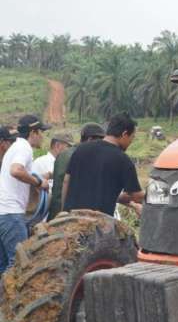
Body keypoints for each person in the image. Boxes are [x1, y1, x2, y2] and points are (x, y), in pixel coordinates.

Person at [62, 113, 144, 217]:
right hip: (98, 224)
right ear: (124, 134)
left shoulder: (81, 149)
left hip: (71, 219)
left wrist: (63, 212)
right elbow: (135, 195)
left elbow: (66, 181)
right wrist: (156, 195)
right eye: (132, 137)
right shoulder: (123, 160)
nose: (131, 142)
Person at [0, 115, 50, 274]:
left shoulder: (14, 147)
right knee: (19, 264)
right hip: (11, 214)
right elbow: (16, 170)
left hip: (3, 213)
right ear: (33, 132)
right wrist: (38, 183)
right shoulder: (24, 147)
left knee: (4, 265)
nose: (42, 136)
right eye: (41, 132)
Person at [48, 123, 105, 220]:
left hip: (59, 210)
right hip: (68, 212)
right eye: (100, 141)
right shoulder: (81, 155)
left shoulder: (66, 154)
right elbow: (64, 182)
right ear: (90, 140)